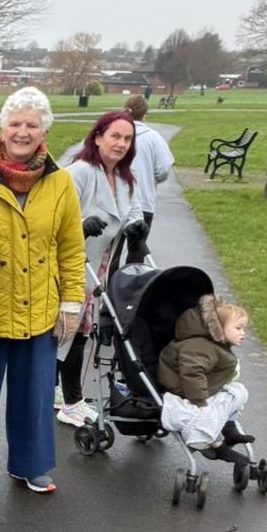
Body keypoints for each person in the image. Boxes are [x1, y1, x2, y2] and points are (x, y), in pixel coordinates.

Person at [0, 86, 85, 497]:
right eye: (15, 123)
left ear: (44, 132)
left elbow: (71, 247)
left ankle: (31, 464)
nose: (22, 132)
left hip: (40, 308)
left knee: (35, 395)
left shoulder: (60, 183)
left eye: (31, 125)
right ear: (2, 128)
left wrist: (71, 303)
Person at [57, 110, 147, 428]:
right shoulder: (79, 173)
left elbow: (134, 210)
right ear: (97, 137)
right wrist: (81, 224)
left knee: (78, 333)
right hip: (70, 266)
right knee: (69, 333)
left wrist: (136, 226)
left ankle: (61, 394)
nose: (121, 144)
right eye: (115, 136)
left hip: (100, 267)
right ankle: (68, 401)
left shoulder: (124, 178)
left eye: (127, 139)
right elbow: (57, 215)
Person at [157, 294, 255, 465]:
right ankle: (218, 446)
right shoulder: (199, 346)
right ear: (220, 328)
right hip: (185, 390)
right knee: (206, 414)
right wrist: (200, 401)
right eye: (238, 328)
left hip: (204, 385)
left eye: (243, 328)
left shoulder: (214, 345)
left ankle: (230, 429)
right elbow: (192, 374)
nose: (243, 333)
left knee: (238, 392)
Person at [122, 94, 174, 234]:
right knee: (138, 245)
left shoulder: (116, 135)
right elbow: (164, 167)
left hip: (116, 201)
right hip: (143, 200)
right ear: (144, 115)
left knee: (113, 245)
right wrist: (154, 179)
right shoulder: (153, 137)